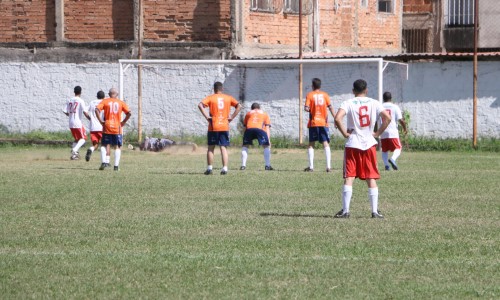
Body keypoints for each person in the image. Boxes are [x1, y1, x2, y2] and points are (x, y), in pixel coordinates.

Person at [333, 79, 391, 219]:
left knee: (349, 177)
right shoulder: (374, 102)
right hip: (369, 144)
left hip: (353, 144)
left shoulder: (348, 103)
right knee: (371, 177)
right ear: (366, 90)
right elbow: (387, 118)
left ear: (353, 91)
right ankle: (375, 211)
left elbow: (337, 118)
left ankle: (346, 211)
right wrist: (377, 134)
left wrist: (345, 134)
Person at [198, 81, 242, 175]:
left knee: (211, 148)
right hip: (224, 125)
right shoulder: (228, 98)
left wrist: (207, 117)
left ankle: (209, 169)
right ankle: (225, 168)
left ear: (214, 89)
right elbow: (239, 106)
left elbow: (200, 105)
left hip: (213, 125)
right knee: (223, 147)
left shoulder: (210, 97)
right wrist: (232, 117)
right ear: (222, 89)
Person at [95, 88, 132, 171]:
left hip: (107, 125)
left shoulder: (105, 101)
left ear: (108, 94)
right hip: (117, 127)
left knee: (104, 145)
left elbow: (96, 110)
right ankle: (116, 166)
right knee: (117, 146)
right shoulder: (121, 103)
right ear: (117, 95)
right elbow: (129, 113)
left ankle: (104, 162)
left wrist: (100, 121)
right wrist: (123, 122)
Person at [304, 78, 336, 172]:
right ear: (320, 85)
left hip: (313, 123)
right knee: (325, 143)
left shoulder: (310, 95)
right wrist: (335, 118)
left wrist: (312, 110)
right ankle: (328, 167)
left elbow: (306, 108)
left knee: (311, 144)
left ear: (312, 86)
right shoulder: (325, 95)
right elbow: (330, 107)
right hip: (323, 123)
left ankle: (311, 167)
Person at [378, 92, 407, 171]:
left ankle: (387, 165)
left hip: (383, 131)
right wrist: (405, 128)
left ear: (383, 99)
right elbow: (401, 120)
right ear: (391, 98)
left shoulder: (380, 107)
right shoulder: (395, 107)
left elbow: (375, 120)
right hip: (392, 131)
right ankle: (393, 159)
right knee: (398, 147)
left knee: (384, 150)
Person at [240, 103, 273, 171]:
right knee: (266, 146)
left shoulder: (248, 113)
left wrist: (244, 138)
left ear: (252, 108)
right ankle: (267, 165)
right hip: (260, 129)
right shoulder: (264, 114)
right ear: (259, 108)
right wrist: (268, 139)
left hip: (249, 129)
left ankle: (243, 166)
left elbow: (244, 127)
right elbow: (267, 127)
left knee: (245, 146)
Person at [63, 86, 90, 160]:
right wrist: (90, 119)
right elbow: (85, 112)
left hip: (71, 122)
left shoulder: (69, 100)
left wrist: (70, 115)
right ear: (80, 92)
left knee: (77, 139)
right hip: (77, 122)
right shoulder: (80, 100)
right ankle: (74, 150)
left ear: (74, 92)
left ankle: (74, 156)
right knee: (83, 138)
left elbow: (65, 111)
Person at [85, 90, 105, 162]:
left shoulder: (92, 102)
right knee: (104, 145)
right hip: (102, 127)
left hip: (93, 127)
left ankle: (90, 149)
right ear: (104, 97)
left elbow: (85, 111)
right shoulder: (104, 102)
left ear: (97, 96)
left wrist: (89, 118)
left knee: (95, 145)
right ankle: (104, 161)